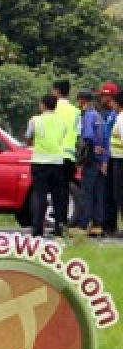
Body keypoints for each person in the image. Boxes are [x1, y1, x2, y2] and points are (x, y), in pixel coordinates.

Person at [26, 94, 70, 238]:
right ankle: (59, 228)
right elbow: (62, 137)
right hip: (57, 162)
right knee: (58, 197)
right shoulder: (62, 122)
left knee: (40, 197)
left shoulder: (35, 120)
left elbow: (28, 137)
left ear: (43, 105)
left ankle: (38, 230)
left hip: (40, 163)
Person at [75, 90, 106, 232]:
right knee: (98, 191)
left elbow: (87, 136)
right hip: (100, 157)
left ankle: (83, 224)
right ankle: (97, 225)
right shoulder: (98, 115)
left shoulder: (88, 115)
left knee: (86, 191)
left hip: (90, 157)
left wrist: (81, 158)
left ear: (82, 100)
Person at [52, 80, 80, 208]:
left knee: (54, 190)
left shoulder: (52, 109)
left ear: (57, 91)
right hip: (69, 157)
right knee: (65, 190)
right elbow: (79, 135)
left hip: (53, 156)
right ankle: (63, 221)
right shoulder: (76, 111)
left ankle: (56, 222)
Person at [103, 85, 121, 235]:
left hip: (118, 160)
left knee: (118, 194)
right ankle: (111, 225)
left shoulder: (119, 117)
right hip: (113, 158)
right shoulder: (111, 114)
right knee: (113, 194)